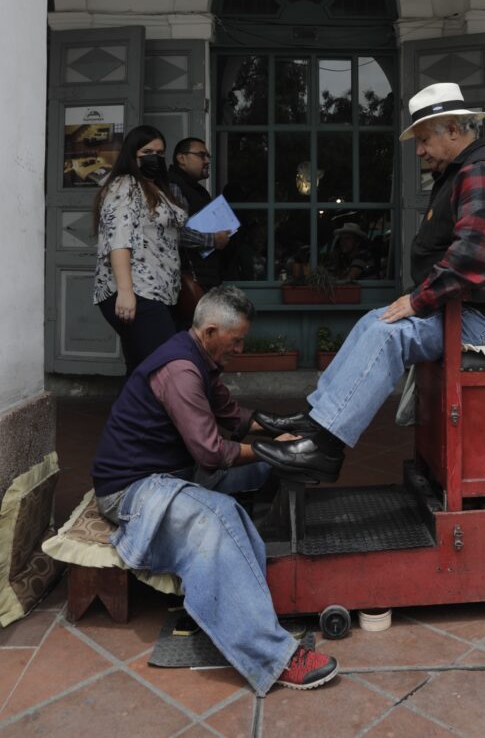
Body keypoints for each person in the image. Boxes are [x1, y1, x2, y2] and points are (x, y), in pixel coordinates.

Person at [251, 81, 485, 482]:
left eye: (423, 140)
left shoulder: (484, 173)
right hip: (467, 306)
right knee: (375, 320)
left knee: (389, 335)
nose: (419, 151)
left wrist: (418, 301)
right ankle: (317, 422)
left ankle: (325, 450)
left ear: (453, 130)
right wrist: (415, 301)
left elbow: (470, 260)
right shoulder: (462, 172)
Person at [91, 285, 339, 695]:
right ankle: (274, 657)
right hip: (134, 491)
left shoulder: (199, 358)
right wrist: (271, 449)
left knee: (264, 469)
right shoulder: (181, 371)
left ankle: (245, 584)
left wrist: (286, 430)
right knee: (219, 515)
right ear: (209, 332)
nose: (241, 348)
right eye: (236, 339)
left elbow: (233, 417)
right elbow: (212, 453)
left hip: (174, 474)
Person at [94, 125, 189, 375]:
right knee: (167, 367)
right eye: (147, 151)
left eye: (160, 152)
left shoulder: (157, 188)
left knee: (143, 370)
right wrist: (126, 292)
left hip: (160, 291)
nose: (154, 158)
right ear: (131, 154)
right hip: (137, 291)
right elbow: (119, 240)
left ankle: (126, 415)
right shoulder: (124, 187)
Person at [168, 137, 230, 308]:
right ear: (182, 158)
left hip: (204, 276)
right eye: (201, 155)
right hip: (188, 279)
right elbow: (175, 233)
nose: (207, 160)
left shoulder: (196, 188)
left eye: (208, 156)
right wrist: (213, 240)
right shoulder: (174, 186)